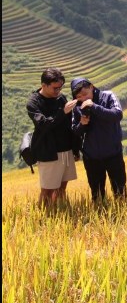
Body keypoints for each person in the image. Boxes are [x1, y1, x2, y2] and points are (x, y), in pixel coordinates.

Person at [26, 68, 80, 206]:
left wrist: (75, 149)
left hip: (66, 149)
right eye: (55, 88)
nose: (58, 91)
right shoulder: (33, 102)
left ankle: (59, 212)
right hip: (48, 152)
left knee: (62, 188)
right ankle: (43, 217)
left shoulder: (60, 98)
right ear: (44, 85)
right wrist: (63, 111)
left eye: (60, 87)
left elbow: (69, 124)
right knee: (47, 191)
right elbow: (43, 124)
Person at [70, 78, 127, 203]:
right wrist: (82, 124)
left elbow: (117, 115)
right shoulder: (76, 107)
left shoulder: (108, 96)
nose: (83, 98)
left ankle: (123, 214)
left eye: (85, 94)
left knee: (120, 191)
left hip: (113, 153)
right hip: (91, 157)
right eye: (79, 96)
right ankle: (100, 215)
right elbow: (75, 132)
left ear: (91, 86)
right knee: (97, 195)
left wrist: (94, 107)